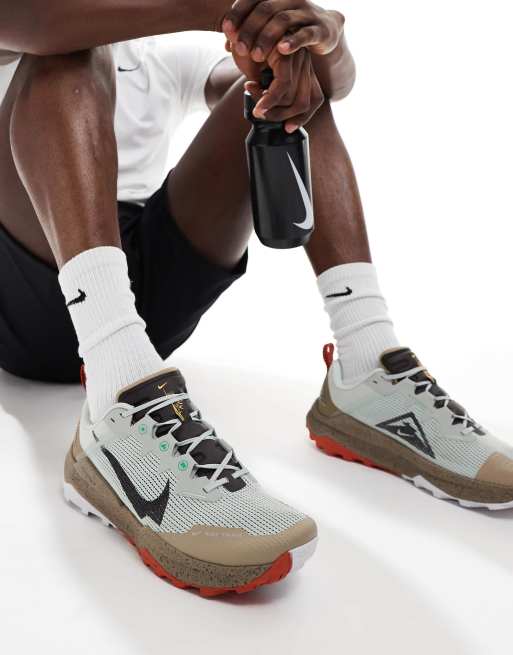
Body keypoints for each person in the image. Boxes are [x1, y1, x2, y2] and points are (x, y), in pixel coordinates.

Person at [0, 1, 512, 598]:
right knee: (66, 58)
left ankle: (368, 363)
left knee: (287, 86)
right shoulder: (38, 22)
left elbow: (328, 82)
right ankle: (115, 404)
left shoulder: (160, 57)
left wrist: (313, 41)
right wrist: (232, 9)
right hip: (31, 294)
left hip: (147, 305)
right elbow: (30, 23)